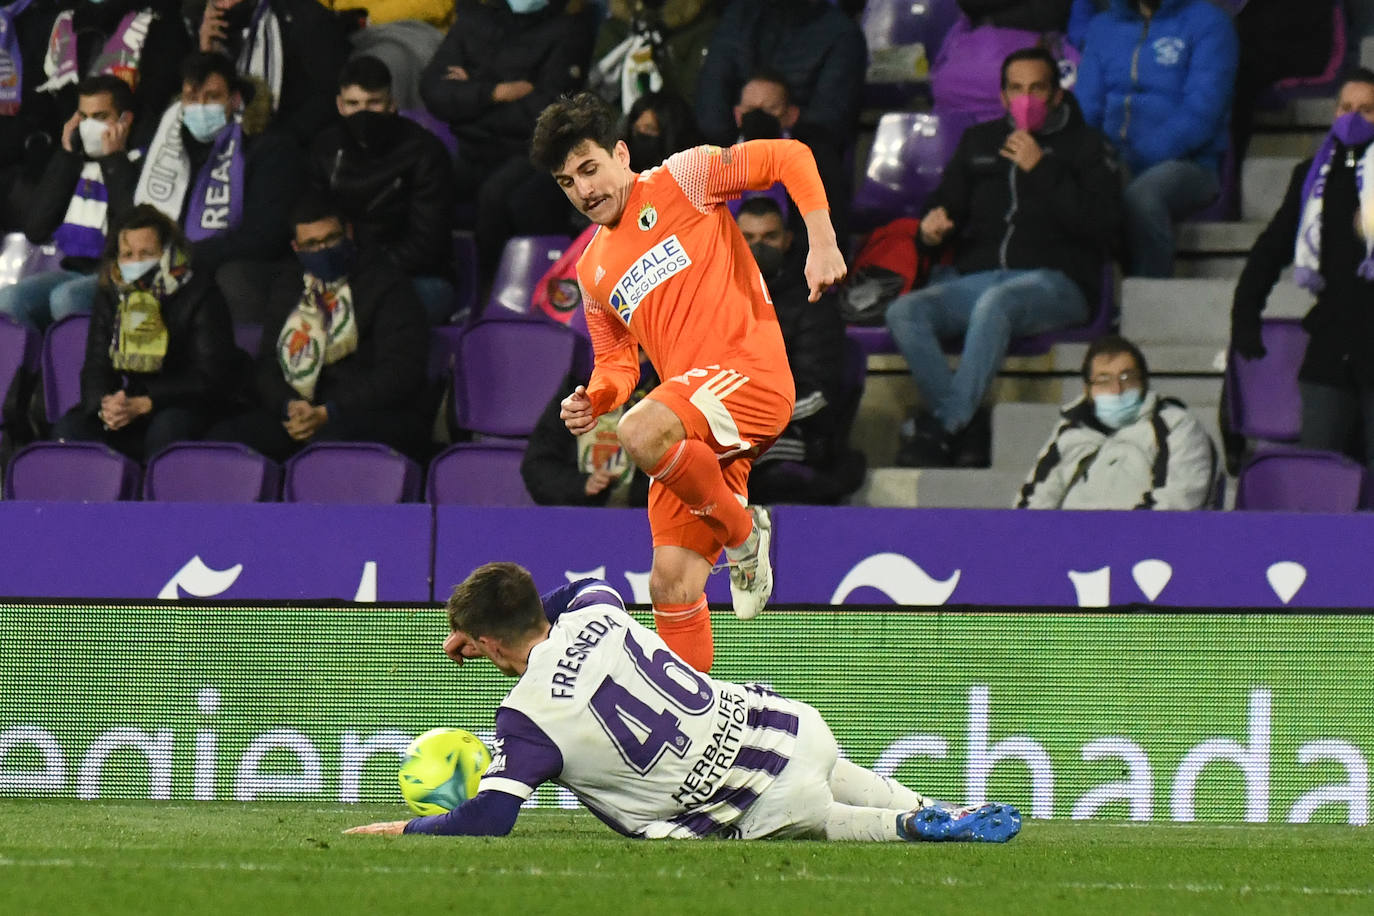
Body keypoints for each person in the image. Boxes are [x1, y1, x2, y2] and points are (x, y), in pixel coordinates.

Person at [344, 562, 1023, 843]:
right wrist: (496, 627)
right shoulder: (597, 608)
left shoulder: (525, 721)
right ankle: (929, 808)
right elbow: (577, 586)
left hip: (743, 796)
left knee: (825, 818)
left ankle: (907, 829)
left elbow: (489, 818)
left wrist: (400, 831)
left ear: (490, 645)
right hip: (782, 723)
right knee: (842, 773)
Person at [529, 91, 847, 671]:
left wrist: (821, 240)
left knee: (640, 433)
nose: (584, 190)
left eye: (590, 168)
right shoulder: (592, 270)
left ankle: (744, 534)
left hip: (749, 377)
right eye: (566, 182)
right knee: (670, 584)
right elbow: (617, 364)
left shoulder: (684, 179)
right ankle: (696, 730)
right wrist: (594, 397)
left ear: (621, 153)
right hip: (695, 423)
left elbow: (789, 157)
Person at [885, 48, 1121, 468]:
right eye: (1016, 88)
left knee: (999, 303)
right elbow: (945, 206)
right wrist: (930, 228)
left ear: (1056, 96)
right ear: (1002, 96)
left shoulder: (1086, 145)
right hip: (980, 275)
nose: (1025, 98)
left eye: (1037, 88)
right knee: (905, 311)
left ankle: (944, 425)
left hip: (1058, 281)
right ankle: (963, 423)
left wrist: (1042, 168)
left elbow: (1104, 227)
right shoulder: (980, 142)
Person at [205, 195, 430, 462]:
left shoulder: (386, 283)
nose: (323, 249)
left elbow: (400, 372)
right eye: (311, 244)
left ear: (348, 233)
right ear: (296, 247)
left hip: (368, 414)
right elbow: (268, 365)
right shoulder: (290, 286)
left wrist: (329, 411)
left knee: (329, 445)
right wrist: (289, 405)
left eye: (331, 239)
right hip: (301, 412)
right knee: (223, 439)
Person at [1231, 70, 1374, 472]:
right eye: (1347, 108)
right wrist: (1245, 312)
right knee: (1319, 474)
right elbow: (1272, 247)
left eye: (1367, 110)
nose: (1354, 118)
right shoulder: (1312, 177)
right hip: (1331, 347)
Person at [420, 0, 597, 276]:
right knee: (424, 176)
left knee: (498, 196)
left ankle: (488, 288)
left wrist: (470, 90)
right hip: (469, 148)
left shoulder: (569, 30)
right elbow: (433, 89)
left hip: (527, 152)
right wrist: (493, 92)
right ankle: (438, 282)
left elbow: (546, 113)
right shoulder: (473, 21)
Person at [51, 204, 237, 460]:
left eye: (146, 253)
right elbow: (97, 365)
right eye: (127, 254)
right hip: (134, 403)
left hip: (191, 403)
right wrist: (106, 406)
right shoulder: (112, 293)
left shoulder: (200, 291)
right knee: (71, 429)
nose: (136, 262)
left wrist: (148, 402)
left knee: (168, 428)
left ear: (167, 252)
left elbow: (212, 377)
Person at [133, 51, 304, 324]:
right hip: (167, 265)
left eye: (212, 97)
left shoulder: (268, 148)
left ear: (234, 99)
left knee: (229, 280)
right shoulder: (167, 149)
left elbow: (265, 237)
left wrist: (188, 257)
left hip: (234, 267)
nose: (200, 106)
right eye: (192, 98)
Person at [1075, 0, 1238, 277]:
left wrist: (1131, 158)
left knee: (1141, 197)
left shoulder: (1209, 23)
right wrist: (1092, 158)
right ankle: (1089, 297)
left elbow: (1202, 113)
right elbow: (1086, 107)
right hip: (1113, 158)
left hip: (1190, 163)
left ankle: (1149, 297)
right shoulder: (1102, 27)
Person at [308, 56, 458, 324]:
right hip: (340, 272)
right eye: (353, 104)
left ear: (392, 104)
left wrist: (362, 274)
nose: (363, 113)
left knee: (361, 315)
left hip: (418, 277)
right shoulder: (324, 147)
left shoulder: (425, 152)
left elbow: (427, 245)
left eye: (373, 103)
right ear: (340, 105)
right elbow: (313, 218)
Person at [736, 196, 863, 505]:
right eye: (748, 238)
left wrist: (755, 421)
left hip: (793, 433)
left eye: (769, 237)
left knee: (756, 465)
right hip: (730, 428)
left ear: (788, 240)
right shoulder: (715, 300)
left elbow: (819, 394)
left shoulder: (814, 303)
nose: (759, 247)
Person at [0, 75, 139, 330]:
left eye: (99, 117)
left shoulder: (137, 163)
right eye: (83, 117)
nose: (88, 127)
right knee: (9, 299)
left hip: (119, 276)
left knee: (66, 298)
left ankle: (80, 369)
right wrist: (66, 155)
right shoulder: (72, 161)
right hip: (72, 270)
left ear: (125, 120)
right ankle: (32, 369)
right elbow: (36, 228)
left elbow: (133, 226)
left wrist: (114, 161)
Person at [1016, 334, 1216, 509]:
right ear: (1088, 390)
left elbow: (1177, 501)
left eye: (1127, 378)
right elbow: (1033, 500)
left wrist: (1116, 537)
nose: (1117, 390)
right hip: (1071, 541)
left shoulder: (1176, 425)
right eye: (1104, 380)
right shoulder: (1070, 430)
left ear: (1143, 382)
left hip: (1142, 544)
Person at [194, 0, 348, 144]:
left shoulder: (303, 17)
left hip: (290, 147)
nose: (224, 4)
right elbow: (195, 105)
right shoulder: (209, 26)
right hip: (227, 146)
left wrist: (278, 140)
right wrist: (206, 54)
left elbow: (329, 94)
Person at [520, 363, 656, 507]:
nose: (630, 359)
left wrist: (637, 493)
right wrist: (582, 485)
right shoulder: (574, 396)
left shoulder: (666, 400)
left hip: (643, 518)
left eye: (639, 351)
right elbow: (537, 469)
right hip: (577, 517)